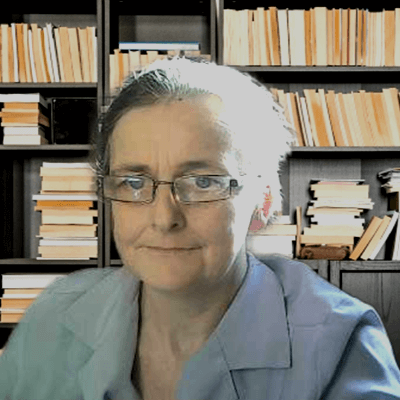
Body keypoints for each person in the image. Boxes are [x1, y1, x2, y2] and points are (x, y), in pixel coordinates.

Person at [1, 56, 400, 400]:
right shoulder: (54, 315)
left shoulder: (342, 344)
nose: (163, 218)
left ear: (261, 202)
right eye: (134, 183)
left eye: (203, 182)